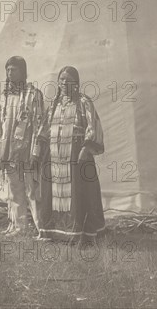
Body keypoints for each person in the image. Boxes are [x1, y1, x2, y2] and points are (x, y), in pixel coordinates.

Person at [38, 66, 105, 243]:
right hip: (54, 154)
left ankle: (78, 233)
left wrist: (86, 149)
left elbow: (93, 126)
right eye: (61, 80)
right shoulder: (54, 104)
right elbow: (44, 128)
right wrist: (38, 151)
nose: (64, 83)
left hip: (76, 154)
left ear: (76, 83)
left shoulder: (84, 102)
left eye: (68, 80)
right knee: (52, 192)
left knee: (79, 193)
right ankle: (53, 231)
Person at [0, 56, 44, 237]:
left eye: (13, 69)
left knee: (32, 190)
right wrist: (1, 149)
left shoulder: (34, 95)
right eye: (7, 69)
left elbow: (40, 124)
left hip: (27, 151)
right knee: (14, 190)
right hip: (8, 151)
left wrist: (35, 151)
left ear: (23, 72)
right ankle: (19, 227)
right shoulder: (4, 97)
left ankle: (42, 229)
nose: (9, 73)